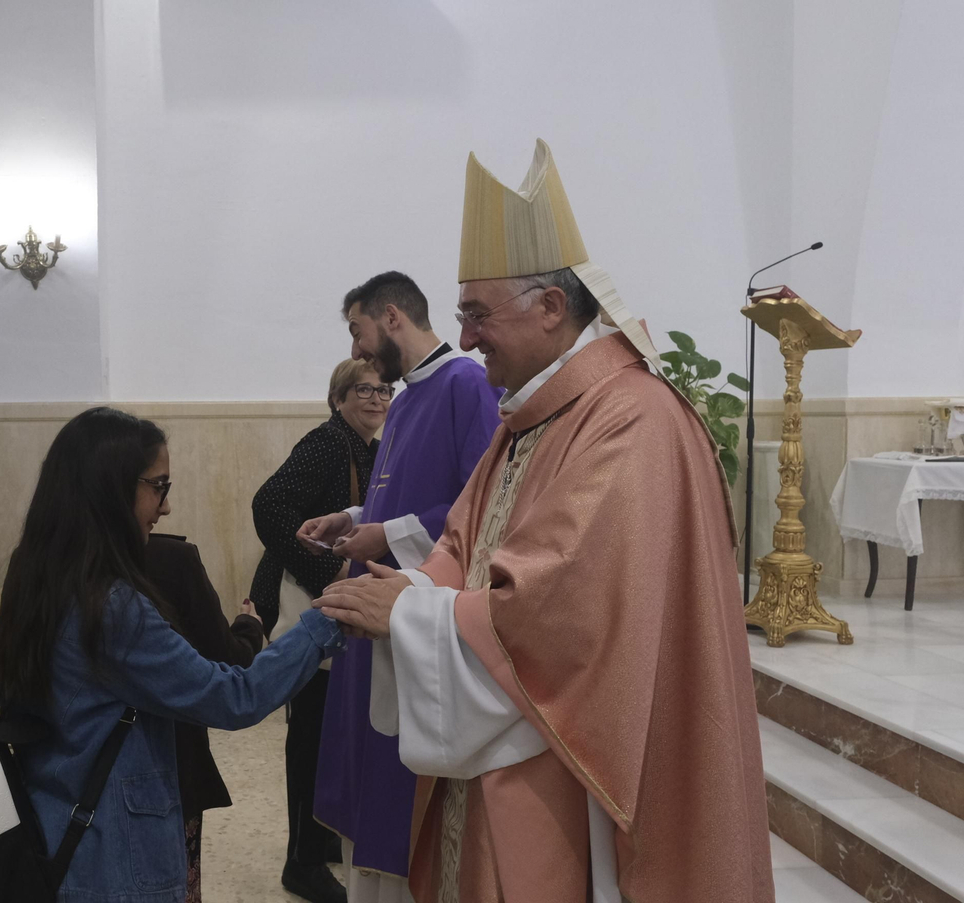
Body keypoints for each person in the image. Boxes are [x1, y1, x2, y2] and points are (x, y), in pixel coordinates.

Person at [316, 141, 773, 902]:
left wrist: (415, 614)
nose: (463, 339)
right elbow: (462, 542)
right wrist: (412, 589)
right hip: (507, 760)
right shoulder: (528, 415)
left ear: (552, 307)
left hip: (576, 780)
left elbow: (562, 613)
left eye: (476, 313)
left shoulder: (630, 421)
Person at [0, 406, 343, 903]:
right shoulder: (110, 609)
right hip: (109, 854)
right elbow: (234, 697)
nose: (166, 507)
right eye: (159, 487)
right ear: (111, 489)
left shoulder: (38, 571)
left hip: (56, 818)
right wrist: (329, 615)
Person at [301, 273, 501, 903]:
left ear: (391, 318)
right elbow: (407, 498)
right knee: (367, 770)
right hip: (378, 608)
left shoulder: (465, 383)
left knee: (395, 783)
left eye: (358, 332)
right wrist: (354, 520)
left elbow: (482, 509)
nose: (358, 351)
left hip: (417, 610)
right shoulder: (409, 396)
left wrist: (384, 535)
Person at [250, 358, 387, 903]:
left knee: (328, 733)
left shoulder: (367, 446)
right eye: (362, 390)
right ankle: (300, 863)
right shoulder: (329, 443)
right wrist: (327, 572)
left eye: (382, 389)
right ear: (338, 399)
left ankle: (319, 838)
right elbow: (270, 505)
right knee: (309, 738)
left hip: (330, 612)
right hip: (308, 608)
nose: (375, 399)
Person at [141, 533, 264, 903]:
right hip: (164, 777)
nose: (166, 506)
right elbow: (229, 679)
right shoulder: (166, 563)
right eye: (159, 486)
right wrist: (250, 627)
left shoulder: (36, 557)